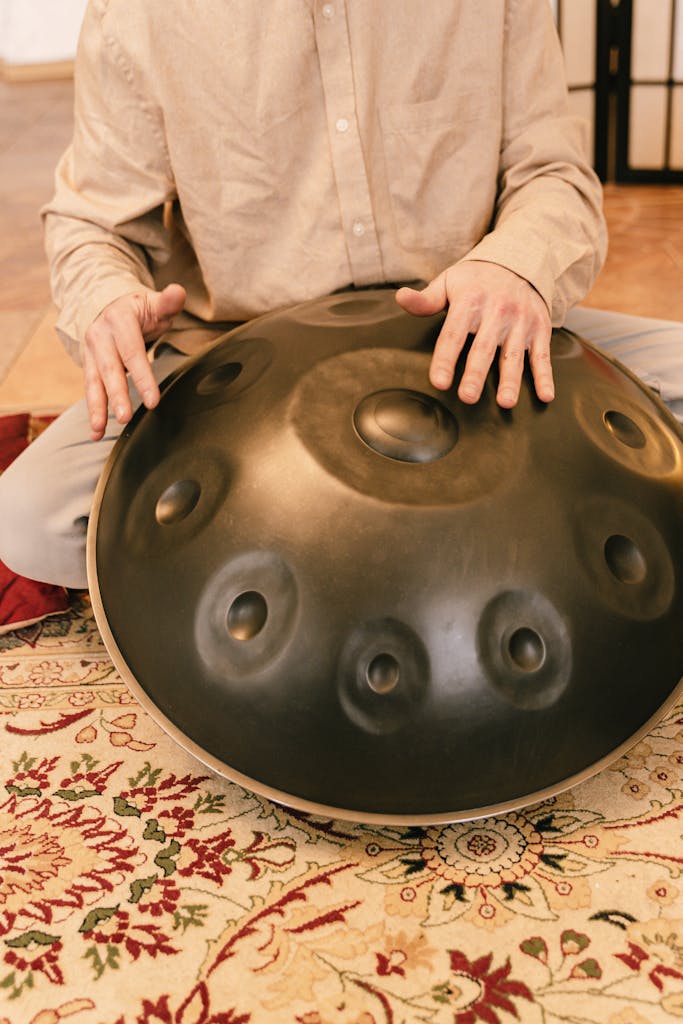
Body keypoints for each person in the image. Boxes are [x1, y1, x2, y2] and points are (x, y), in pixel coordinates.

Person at [0, 0, 681, 592]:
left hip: (463, 336)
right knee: (29, 520)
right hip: (240, 369)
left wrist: (516, 269)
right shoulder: (140, 11)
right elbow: (93, 223)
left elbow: (554, 172)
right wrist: (108, 299)